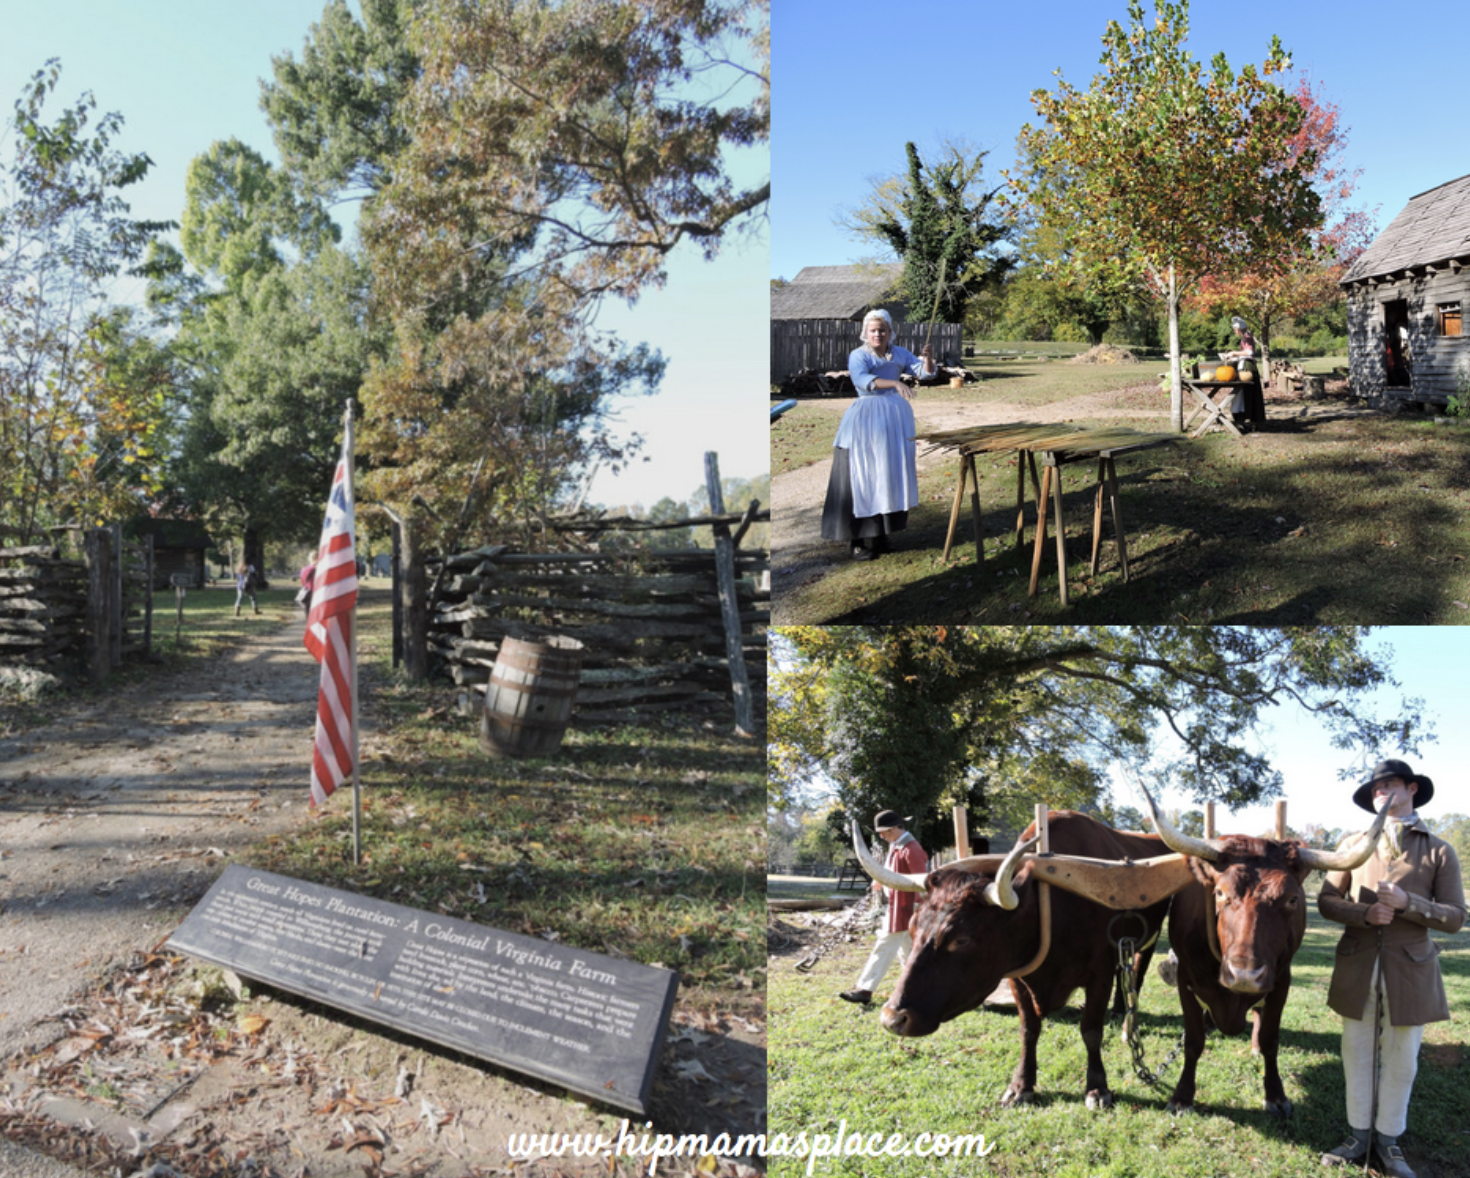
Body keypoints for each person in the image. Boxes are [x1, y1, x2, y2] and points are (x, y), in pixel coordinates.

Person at [1319, 760, 1465, 1178]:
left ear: (1412, 788)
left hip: (1412, 971)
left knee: (1402, 1059)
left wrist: (1410, 905)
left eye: (1390, 785)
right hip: (1356, 967)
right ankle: (1357, 1136)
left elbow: (1456, 917)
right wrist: (1365, 914)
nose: (1382, 793)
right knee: (1355, 1053)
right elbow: (1327, 902)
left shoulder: (1439, 849)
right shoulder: (1351, 844)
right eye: (1376, 789)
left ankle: (1389, 1141)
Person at [820, 309, 935, 561]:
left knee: (888, 471)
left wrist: (927, 359)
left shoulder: (899, 352)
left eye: (882, 330)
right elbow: (861, 380)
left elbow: (925, 373)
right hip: (866, 419)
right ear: (866, 332)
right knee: (863, 473)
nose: (877, 334)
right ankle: (858, 540)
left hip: (894, 419)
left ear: (889, 331)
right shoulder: (858, 355)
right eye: (873, 330)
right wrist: (894, 383)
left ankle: (881, 535)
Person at [840, 810, 929, 1005]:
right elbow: (891, 872)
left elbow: (922, 882)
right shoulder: (897, 846)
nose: (882, 836)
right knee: (908, 954)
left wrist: (917, 910)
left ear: (897, 828)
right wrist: (879, 880)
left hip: (906, 908)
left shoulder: (911, 849)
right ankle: (921, 989)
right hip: (899, 906)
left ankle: (864, 990)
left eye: (885, 831)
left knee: (884, 946)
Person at [1220, 315, 1261, 425]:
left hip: (1247, 368)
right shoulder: (1246, 336)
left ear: (1238, 329)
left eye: (1235, 330)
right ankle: (1241, 416)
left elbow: (1249, 352)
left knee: (1244, 393)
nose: (1235, 332)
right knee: (1242, 393)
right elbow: (1245, 353)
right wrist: (1236, 357)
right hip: (1245, 365)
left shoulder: (1247, 337)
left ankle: (1244, 416)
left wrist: (1234, 353)